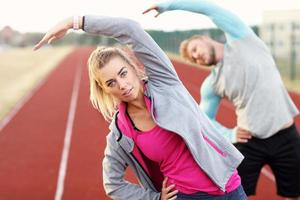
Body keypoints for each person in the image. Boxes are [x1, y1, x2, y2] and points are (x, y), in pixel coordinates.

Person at [34, 14, 247, 200]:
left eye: (123, 73)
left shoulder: (165, 82)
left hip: (229, 186)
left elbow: (130, 30)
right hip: (185, 196)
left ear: (133, 67)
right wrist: (154, 198)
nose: (122, 85)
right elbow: (113, 184)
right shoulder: (121, 133)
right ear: (105, 89)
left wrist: (74, 22)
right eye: (111, 83)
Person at [143, 0, 300, 199]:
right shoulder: (212, 83)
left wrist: (169, 6)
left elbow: (211, 9)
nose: (196, 56)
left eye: (194, 49)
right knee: (235, 192)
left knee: (293, 194)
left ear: (205, 38)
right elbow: (203, 119)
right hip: (250, 141)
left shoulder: (243, 39)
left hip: (285, 134)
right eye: (193, 58)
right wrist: (229, 134)